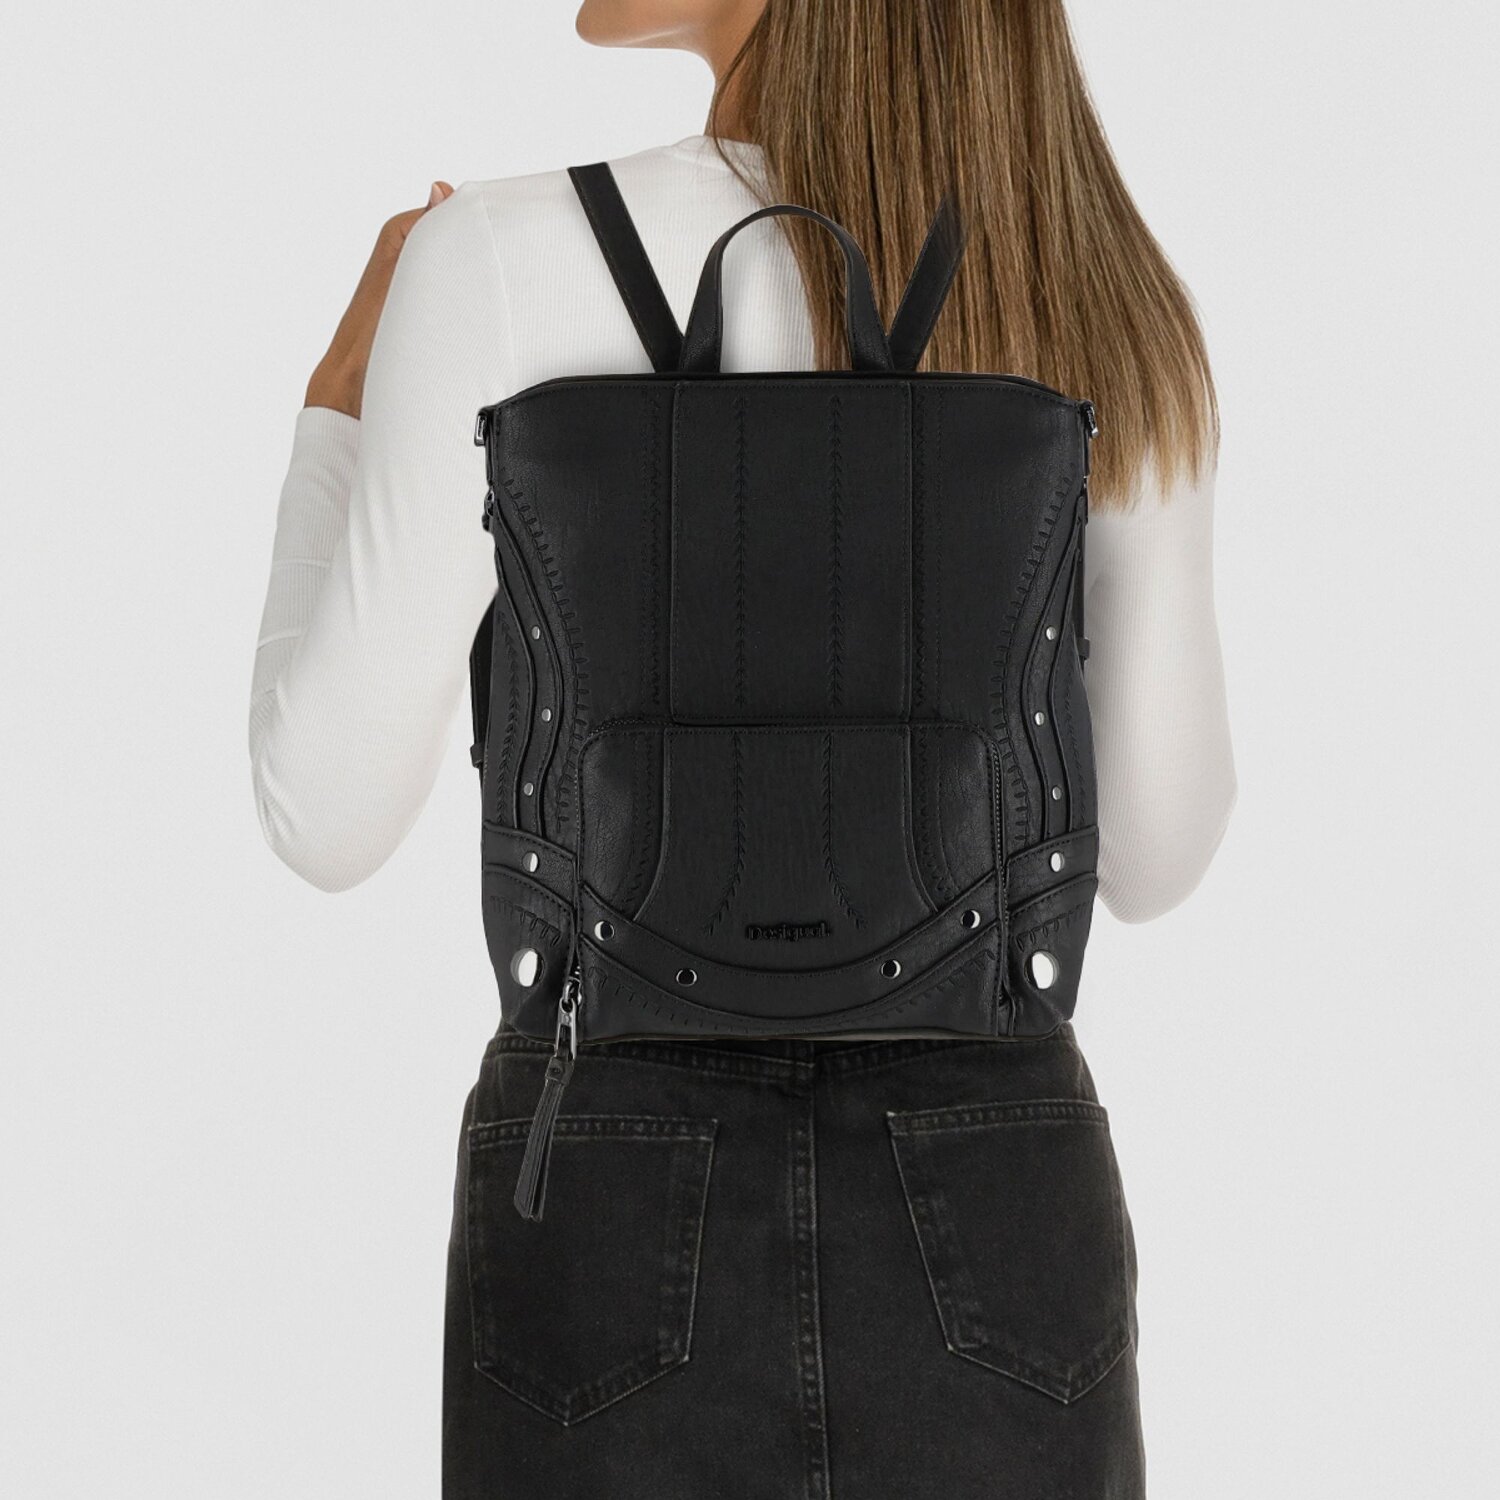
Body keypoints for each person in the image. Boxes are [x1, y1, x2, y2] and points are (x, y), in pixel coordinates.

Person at [248, 2, 1236, 1494]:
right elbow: (1156, 856)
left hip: (608, 1167)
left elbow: (321, 814)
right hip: (992, 1178)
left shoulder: (495, 258)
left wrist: (339, 403)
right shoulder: (1080, 278)